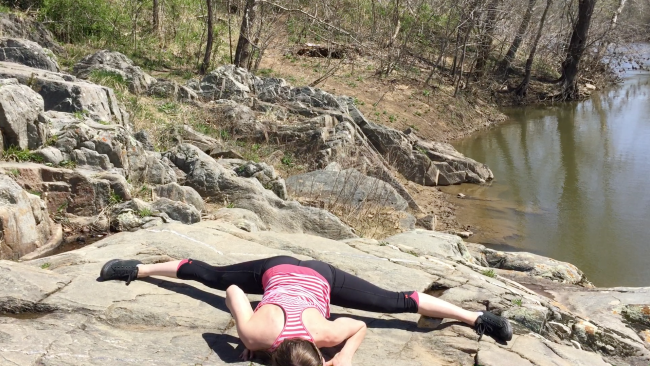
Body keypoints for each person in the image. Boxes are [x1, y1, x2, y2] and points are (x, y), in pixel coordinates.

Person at [100, 255, 512, 366]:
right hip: (294, 273)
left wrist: (346, 354)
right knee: (207, 274)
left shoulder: (321, 336)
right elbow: (229, 289)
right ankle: (136, 269)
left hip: (305, 274)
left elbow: (357, 328)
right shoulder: (261, 337)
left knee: (396, 302)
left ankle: (480, 319)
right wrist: (244, 333)